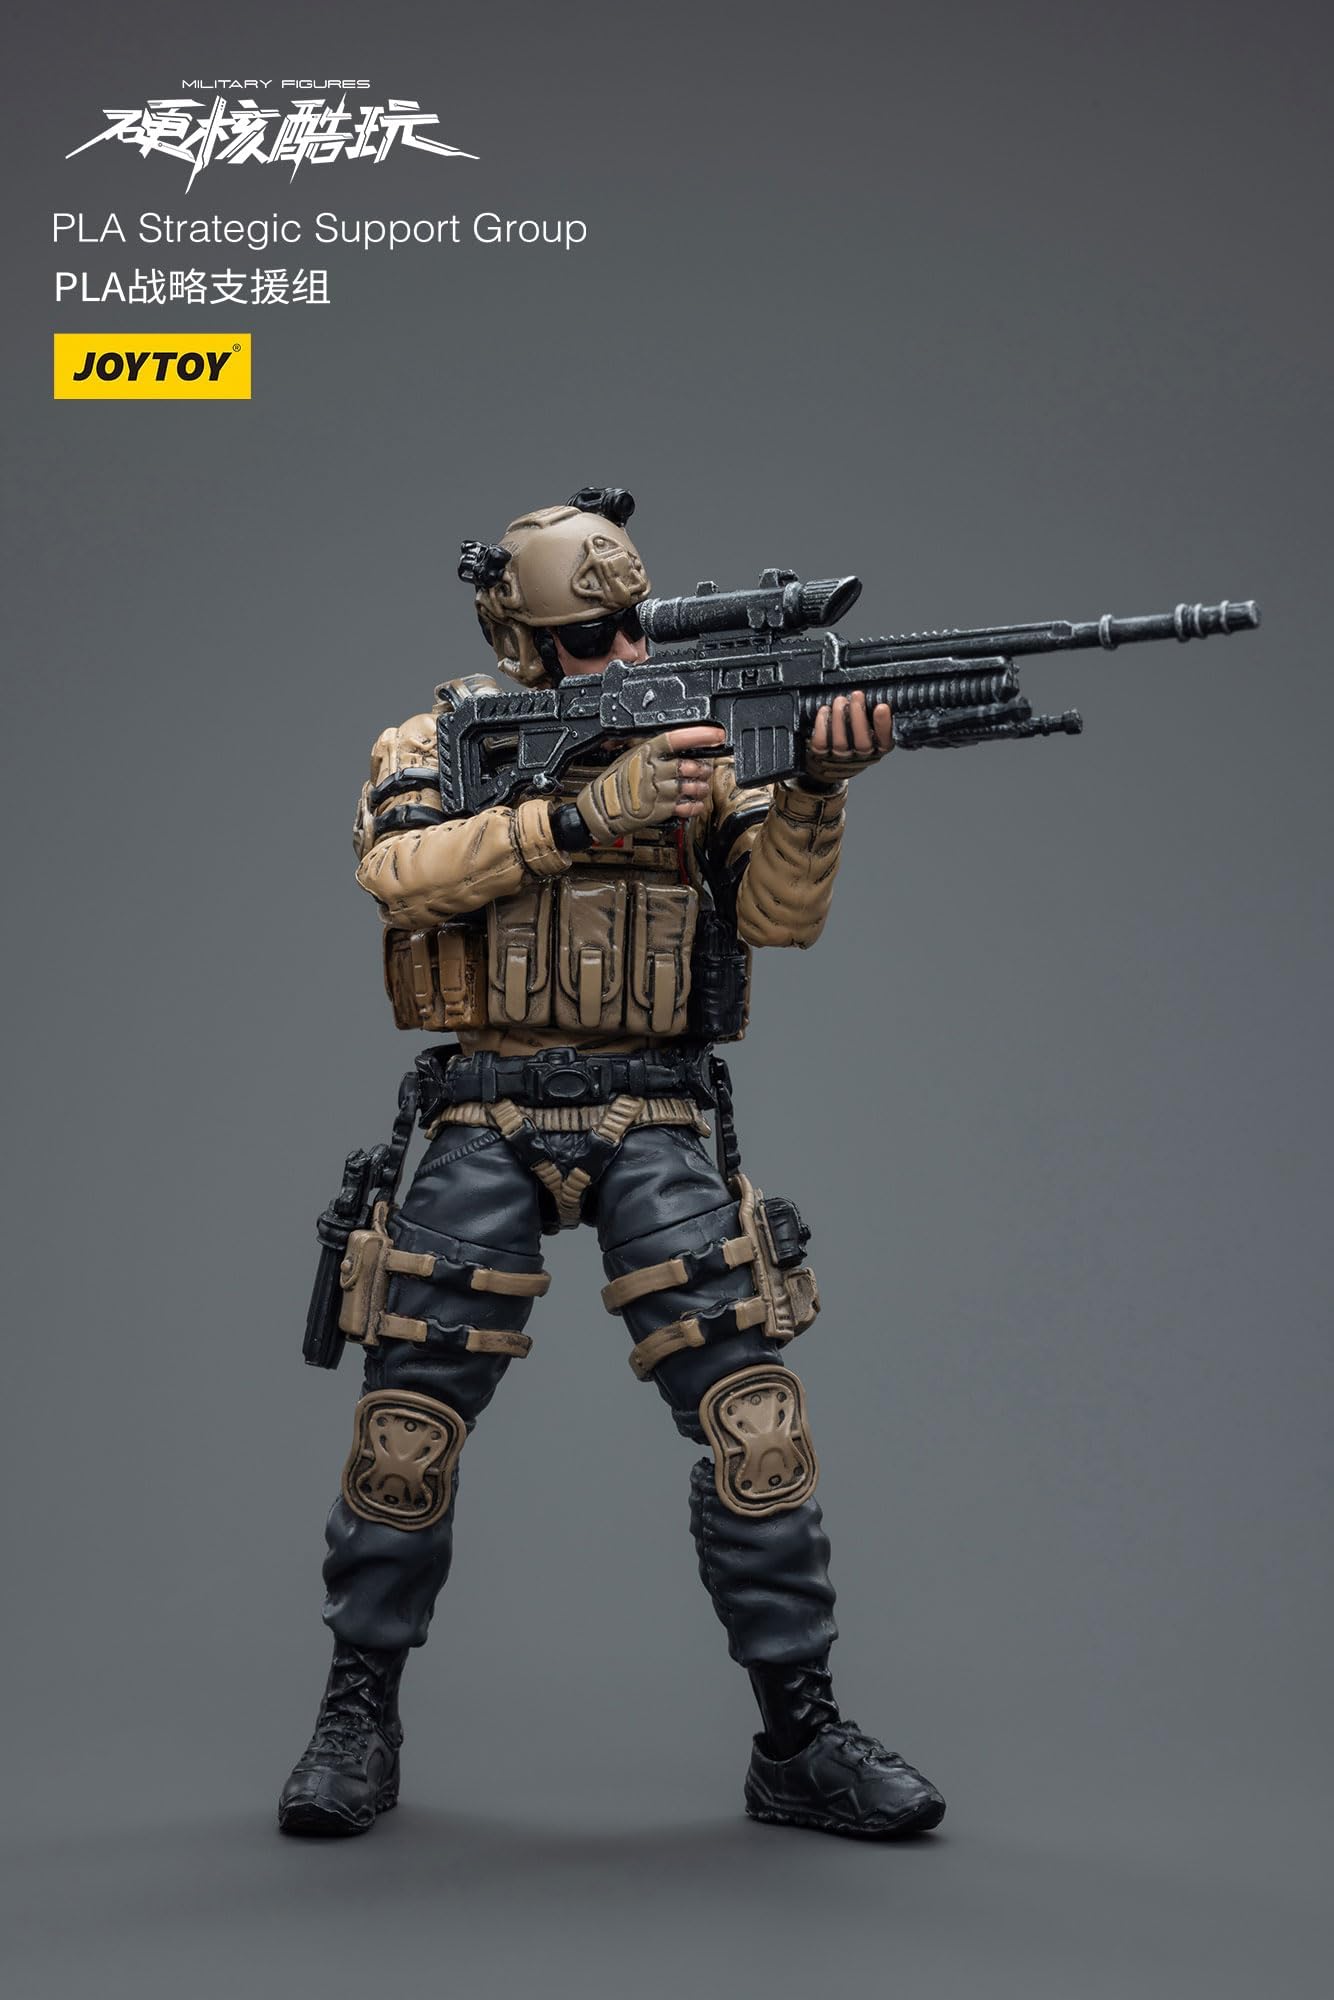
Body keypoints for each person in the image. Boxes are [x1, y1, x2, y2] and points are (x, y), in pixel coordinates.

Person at [278, 487, 945, 1841]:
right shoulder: (435, 741)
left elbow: (778, 918)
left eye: (639, 627)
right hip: (486, 1107)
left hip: (655, 1113)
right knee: (407, 1426)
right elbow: (398, 874)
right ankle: (357, 1715)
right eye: (593, 638)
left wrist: (812, 789)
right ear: (522, 644)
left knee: (755, 1418)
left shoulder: (698, 749)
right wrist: (578, 819)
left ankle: (798, 1738)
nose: (627, 655)